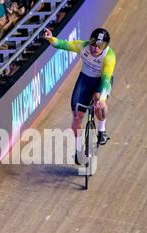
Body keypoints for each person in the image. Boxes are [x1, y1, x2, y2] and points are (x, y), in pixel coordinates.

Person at [43, 27, 116, 165]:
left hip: (101, 81)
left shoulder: (109, 56)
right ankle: (78, 149)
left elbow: (106, 80)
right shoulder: (83, 46)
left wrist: (102, 99)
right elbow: (64, 45)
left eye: (99, 46)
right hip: (85, 79)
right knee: (77, 116)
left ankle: (102, 130)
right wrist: (50, 38)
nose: (95, 48)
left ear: (105, 46)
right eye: (93, 44)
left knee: (98, 100)